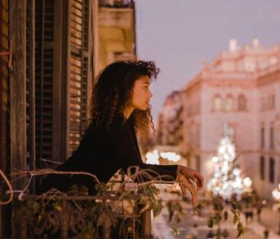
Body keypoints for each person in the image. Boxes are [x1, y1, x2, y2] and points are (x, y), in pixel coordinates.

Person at [38, 61, 204, 206]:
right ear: (125, 89)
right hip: (61, 197)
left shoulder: (123, 120)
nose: (150, 94)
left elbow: (136, 167)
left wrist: (179, 169)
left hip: (72, 198)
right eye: (145, 87)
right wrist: (176, 175)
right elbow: (138, 173)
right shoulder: (114, 124)